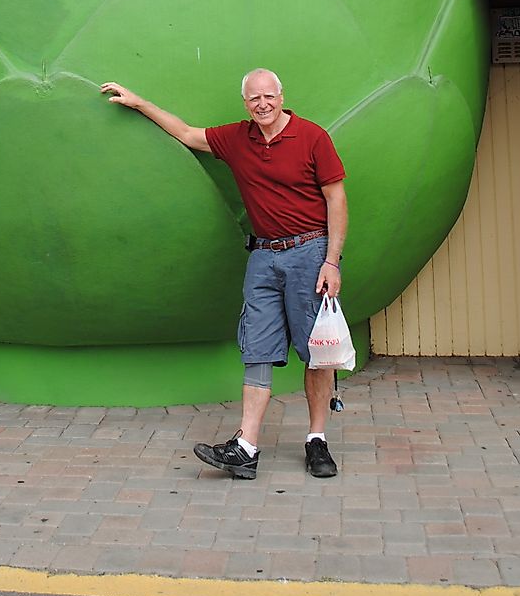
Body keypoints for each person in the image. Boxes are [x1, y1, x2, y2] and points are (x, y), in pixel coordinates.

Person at [100, 69, 347, 480]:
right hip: (264, 257)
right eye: (254, 99)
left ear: (282, 96)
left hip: (309, 252)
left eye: (269, 96)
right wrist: (138, 102)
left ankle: (316, 440)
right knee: (257, 347)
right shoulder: (237, 138)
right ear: (246, 103)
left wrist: (332, 261)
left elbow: (336, 198)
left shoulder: (312, 137)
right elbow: (186, 133)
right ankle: (246, 447)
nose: (263, 104)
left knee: (317, 352)